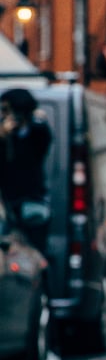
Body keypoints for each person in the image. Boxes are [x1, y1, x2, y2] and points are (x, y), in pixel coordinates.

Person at [0, 87, 52, 255]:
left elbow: (42, 141)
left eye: (6, 109)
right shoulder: (5, 135)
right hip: (7, 204)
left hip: (31, 201)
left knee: (34, 250)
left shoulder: (37, 132)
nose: (3, 114)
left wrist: (26, 124)